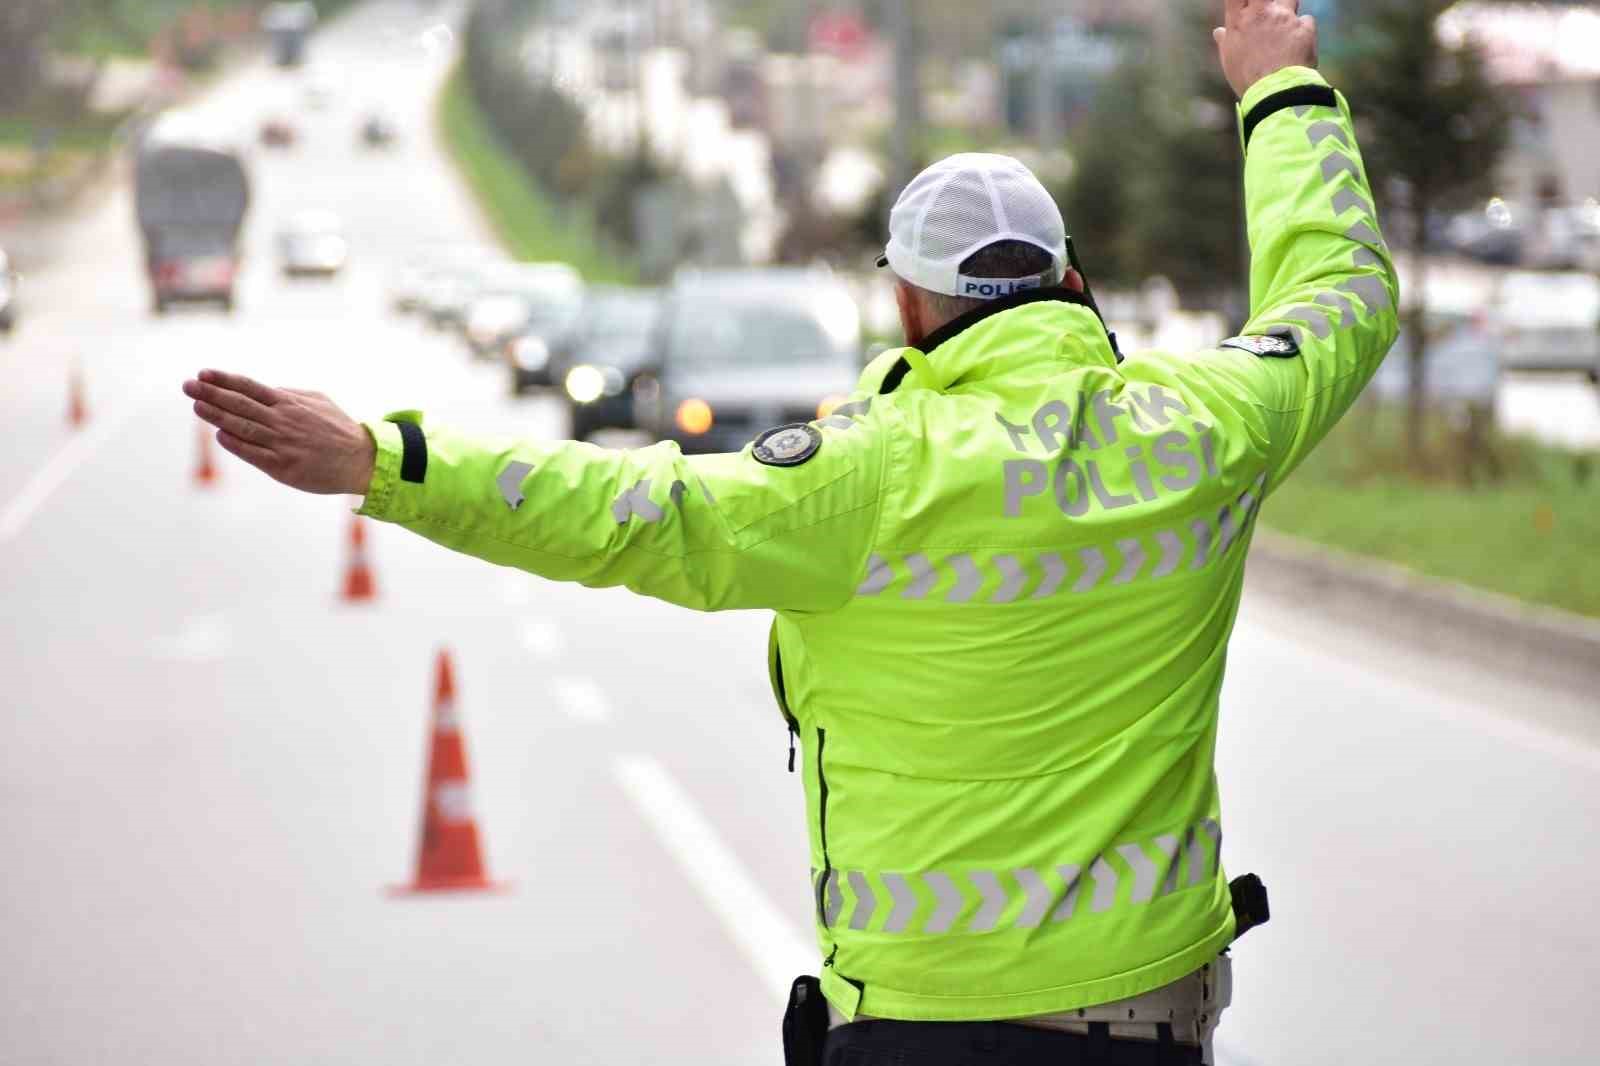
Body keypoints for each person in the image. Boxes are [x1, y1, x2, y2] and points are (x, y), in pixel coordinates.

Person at [182, 2, 1397, 1062]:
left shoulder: (867, 476)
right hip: (1149, 1021)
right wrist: (1279, 91)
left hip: (922, 1026)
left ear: (911, 303)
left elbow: (619, 510)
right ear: (1072, 282)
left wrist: (385, 460)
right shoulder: (1205, 431)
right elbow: (1339, 296)